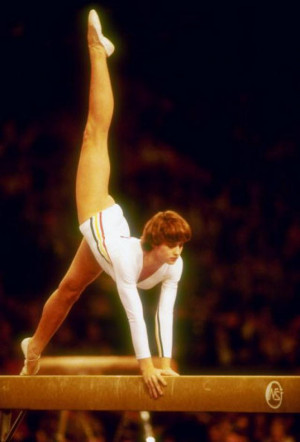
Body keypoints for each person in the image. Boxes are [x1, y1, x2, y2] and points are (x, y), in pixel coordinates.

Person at [20, 9, 191, 399]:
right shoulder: (132, 263)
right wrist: (145, 367)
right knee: (93, 134)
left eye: (181, 246)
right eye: (173, 245)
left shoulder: (172, 266)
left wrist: (165, 366)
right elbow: (134, 312)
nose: (178, 253)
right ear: (155, 242)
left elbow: (163, 314)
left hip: (112, 237)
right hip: (100, 219)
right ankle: (98, 50)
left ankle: (33, 346)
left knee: (67, 291)